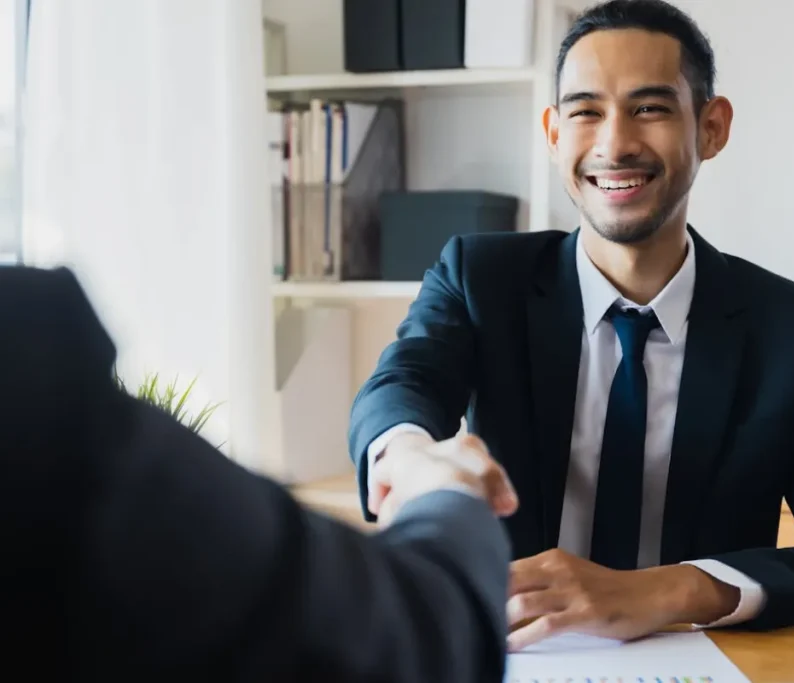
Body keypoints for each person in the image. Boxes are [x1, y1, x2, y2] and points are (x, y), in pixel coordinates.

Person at [349, 0, 794, 652]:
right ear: (554, 130)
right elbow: (403, 382)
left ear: (712, 127)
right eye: (585, 110)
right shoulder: (479, 278)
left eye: (649, 108)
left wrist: (672, 589)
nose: (614, 143)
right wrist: (411, 454)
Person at [0, 264, 519, 681]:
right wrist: (431, 475)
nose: (606, 147)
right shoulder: (35, 380)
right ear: (550, 131)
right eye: (584, 121)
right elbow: (415, 642)